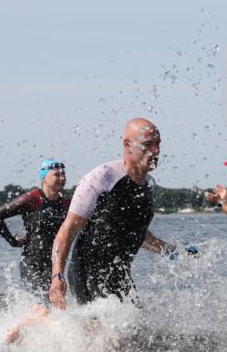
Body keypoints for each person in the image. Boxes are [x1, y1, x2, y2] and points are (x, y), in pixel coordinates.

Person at [49, 118, 179, 309]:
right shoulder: (101, 178)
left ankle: (41, 316)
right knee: (105, 337)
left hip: (120, 275)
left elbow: (134, 233)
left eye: (158, 144)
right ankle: (39, 320)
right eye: (148, 144)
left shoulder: (148, 185)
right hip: (87, 274)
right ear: (128, 145)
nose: (156, 151)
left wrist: (168, 250)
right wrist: (57, 276)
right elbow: (67, 231)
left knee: (136, 333)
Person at [0, 159, 70, 295]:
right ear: (43, 177)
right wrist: (13, 241)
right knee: (44, 304)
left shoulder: (66, 203)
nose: (62, 178)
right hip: (32, 264)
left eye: (63, 174)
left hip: (55, 266)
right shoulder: (34, 198)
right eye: (56, 174)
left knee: (57, 305)